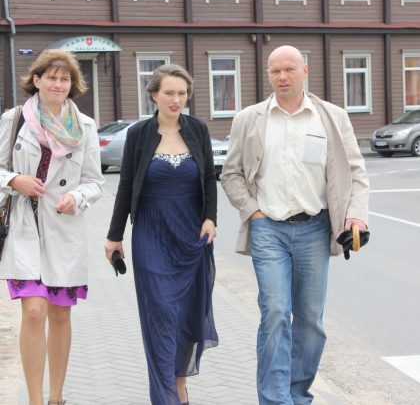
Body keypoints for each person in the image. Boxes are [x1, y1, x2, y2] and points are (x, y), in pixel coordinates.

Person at [221, 45, 369, 404]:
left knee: (310, 320)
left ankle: (298, 394)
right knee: (274, 312)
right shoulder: (249, 119)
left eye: (289, 69)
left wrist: (356, 215)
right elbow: (231, 173)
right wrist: (252, 211)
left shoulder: (331, 117)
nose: (282, 77)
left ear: (305, 70)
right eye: (275, 71)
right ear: (268, 75)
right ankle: (275, 399)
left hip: (315, 228)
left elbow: (355, 172)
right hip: (268, 228)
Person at [104, 64, 218, 405]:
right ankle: (165, 395)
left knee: (186, 314)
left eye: (182, 93)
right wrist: (114, 236)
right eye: (169, 92)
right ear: (154, 95)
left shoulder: (198, 129)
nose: (176, 99)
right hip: (151, 234)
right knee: (161, 314)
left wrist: (211, 218)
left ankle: (178, 387)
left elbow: (208, 178)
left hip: (191, 235)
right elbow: (126, 186)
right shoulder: (139, 134)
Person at [0, 49, 104, 405]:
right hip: (25, 226)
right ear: (37, 80)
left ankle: (56, 397)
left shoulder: (85, 126)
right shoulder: (15, 119)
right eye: (51, 77)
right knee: (33, 312)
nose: (58, 84)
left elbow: (95, 181)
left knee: (60, 315)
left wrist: (77, 197)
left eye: (65, 79)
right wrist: (14, 180)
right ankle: (34, 399)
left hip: (64, 229)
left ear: (72, 84)